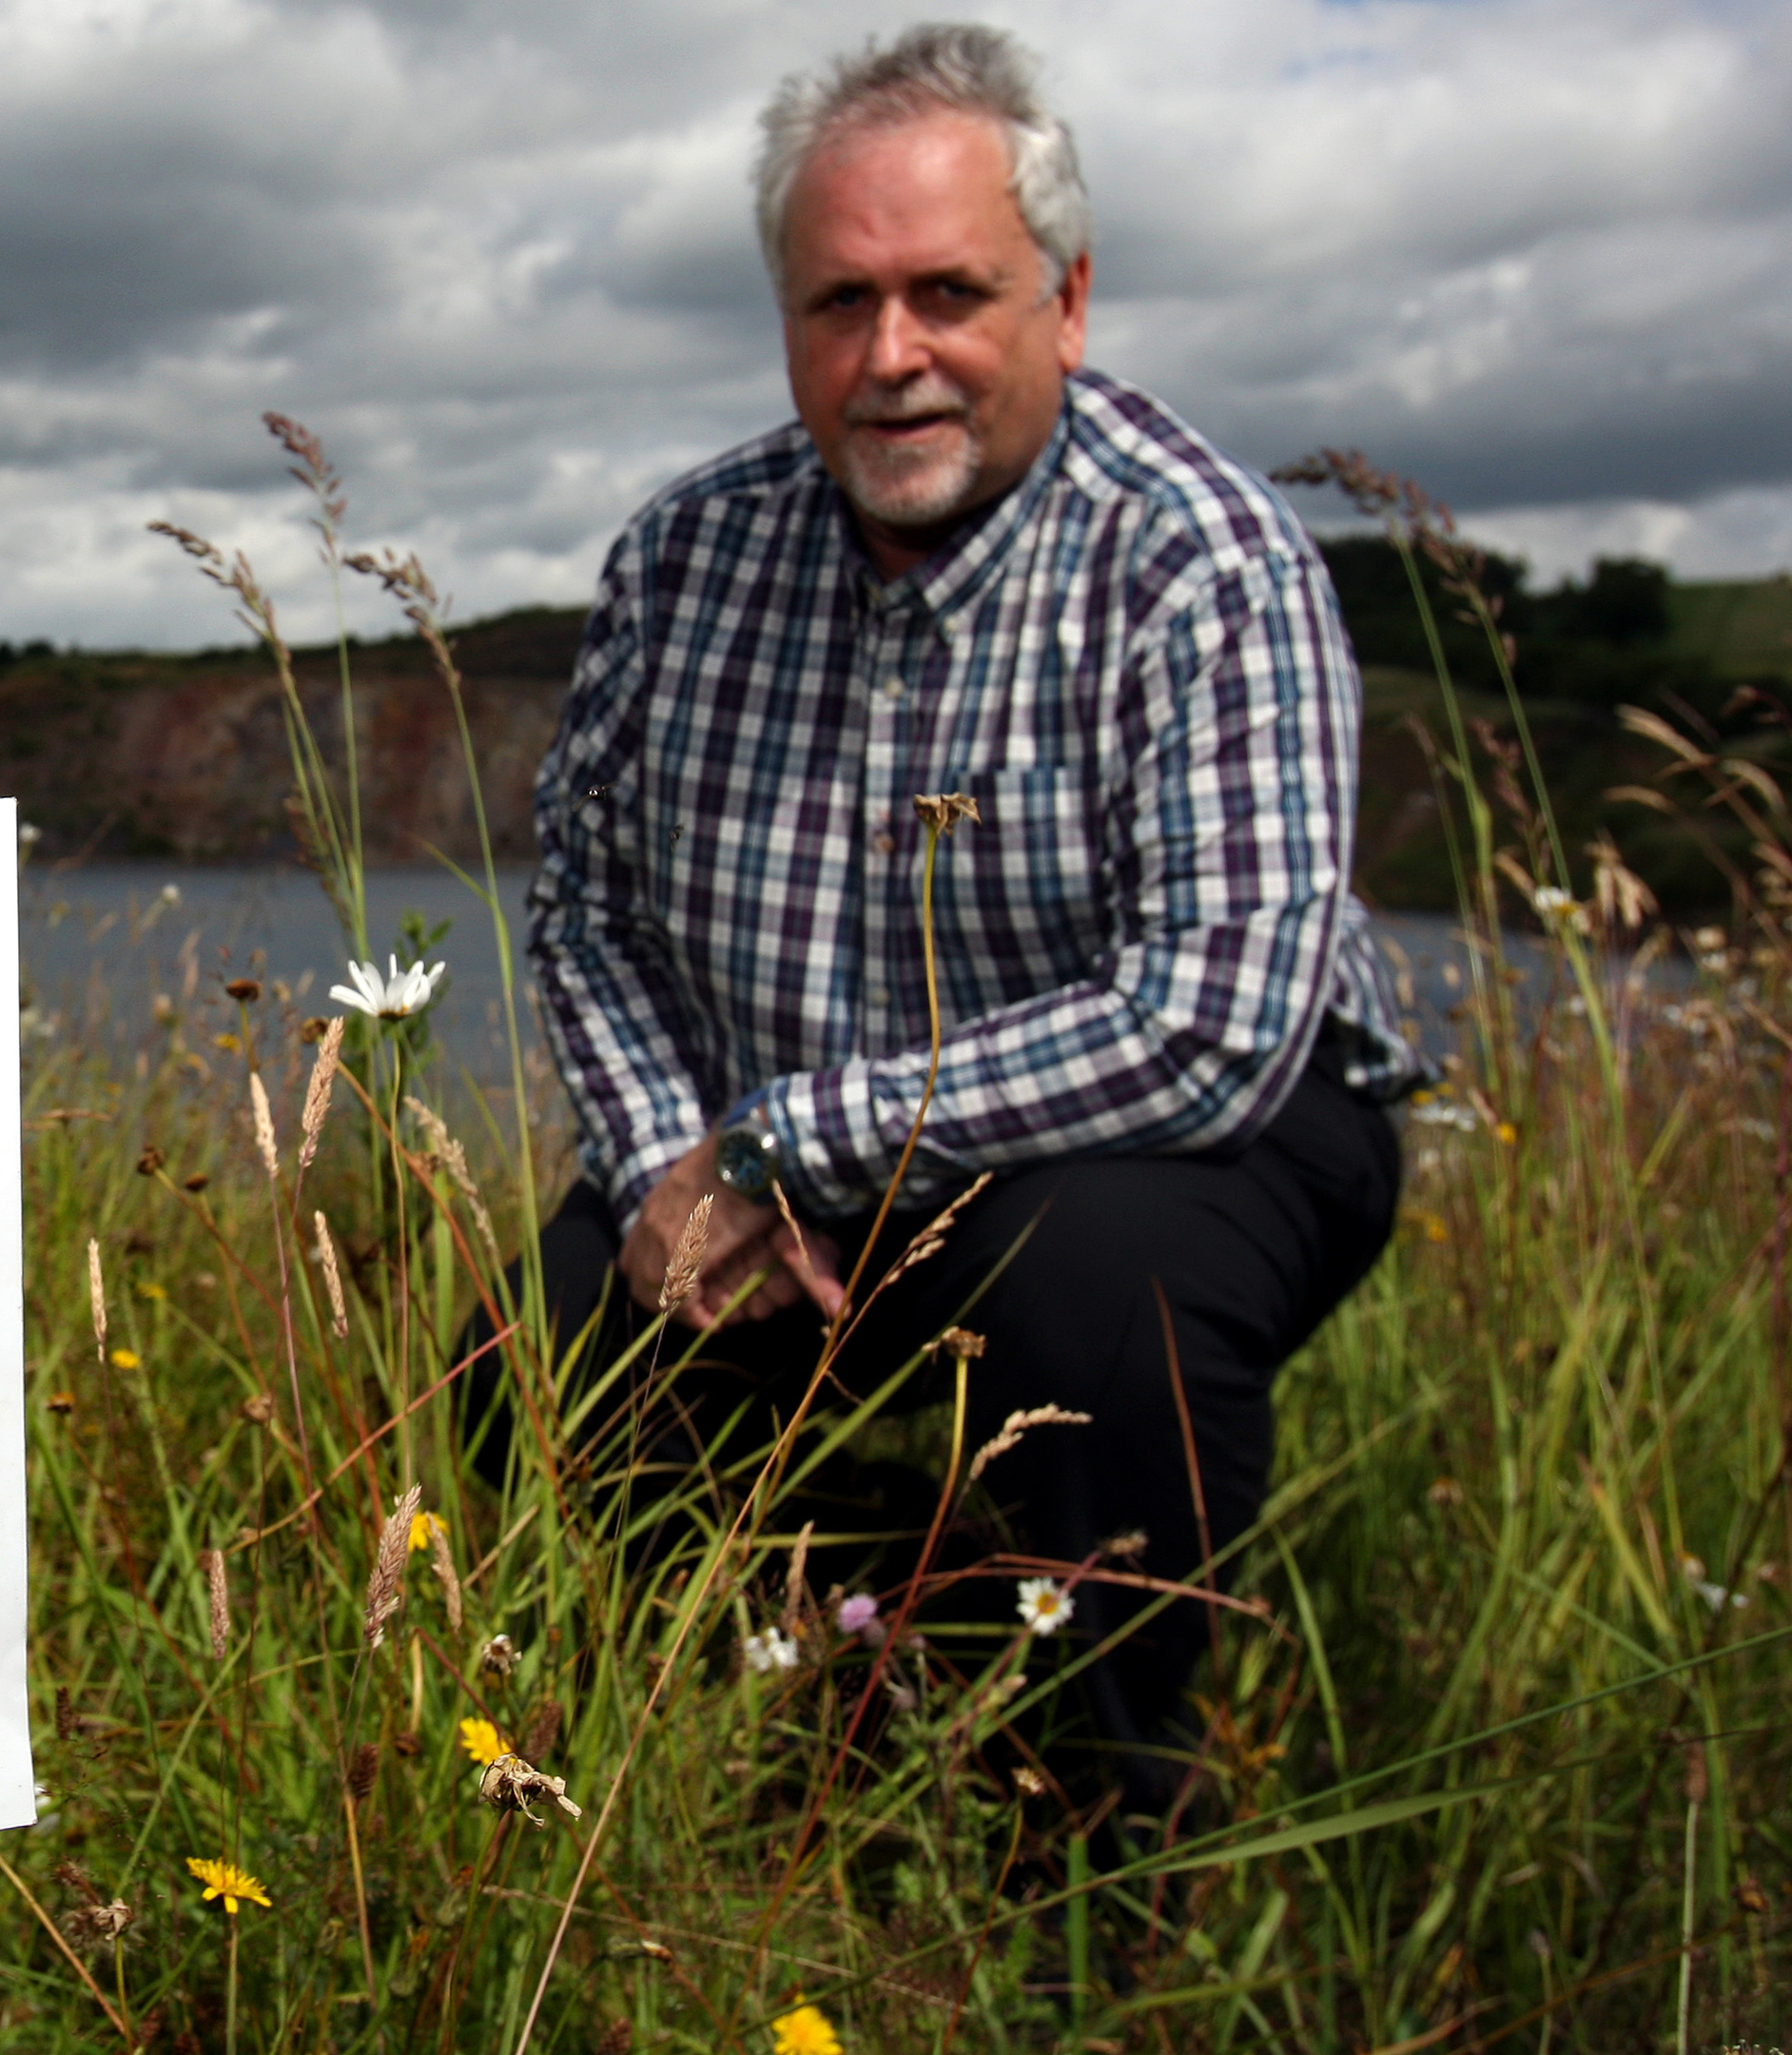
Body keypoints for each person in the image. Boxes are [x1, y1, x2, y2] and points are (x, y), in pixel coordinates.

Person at [513, 22, 1423, 1814]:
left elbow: (1208, 1026)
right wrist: (659, 1176)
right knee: (519, 1360)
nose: (892, 355)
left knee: (1098, 1298)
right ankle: (751, 1746)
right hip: (774, 1151)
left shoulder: (1207, 566)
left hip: (1177, 1137)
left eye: (951, 292)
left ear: (1067, 305)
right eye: (839, 302)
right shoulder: (682, 558)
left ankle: (1093, 1809)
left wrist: (782, 1149)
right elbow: (581, 909)